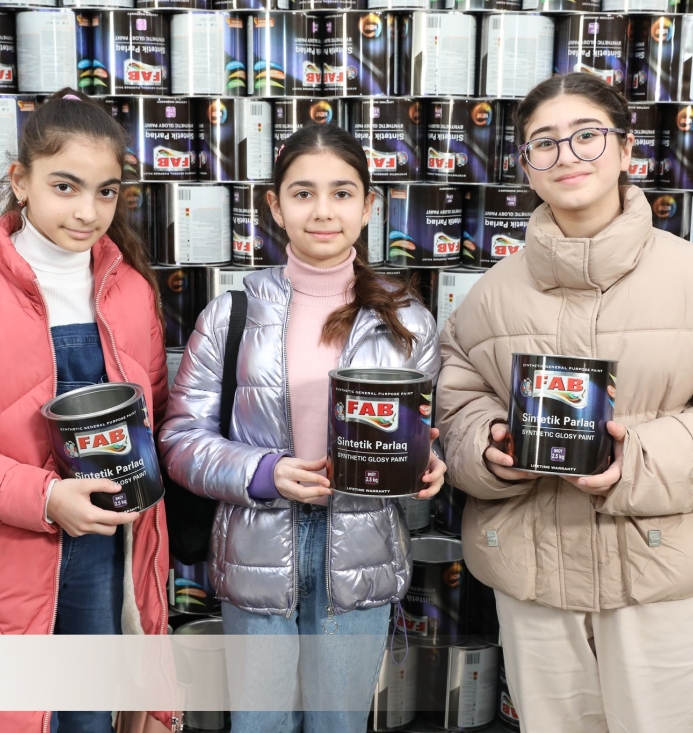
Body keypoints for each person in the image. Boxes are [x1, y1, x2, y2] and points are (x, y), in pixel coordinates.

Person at [435, 73, 693, 733]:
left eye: (587, 136)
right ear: (525, 167)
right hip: (535, 584)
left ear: (627, 148)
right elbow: (454, 415)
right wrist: (489, 450)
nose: (567, 155)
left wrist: (635, 461)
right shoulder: (485, 300)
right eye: (545, 143)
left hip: (661, 575)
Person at [0, 89, 176, 733]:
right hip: (4, 557)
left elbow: (152, 417)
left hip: (111, 555)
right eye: (65, 186)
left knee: (90, 717)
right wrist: (47, 498)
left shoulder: (131, 291)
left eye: (106, 192)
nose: (87, 211)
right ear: (20, 181)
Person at [158, 123, 446, 733]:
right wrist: (264, 472)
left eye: (342, 193)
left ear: (368, 207)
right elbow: (180, 441)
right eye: (303, 193)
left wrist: (427, 467)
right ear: (275, 206)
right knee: (259, 724)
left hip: (362, 550)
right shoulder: (230, 314)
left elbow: (424, 434)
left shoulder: (409, 322)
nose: (322, 211)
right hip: (256, 548)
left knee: (338, 724)